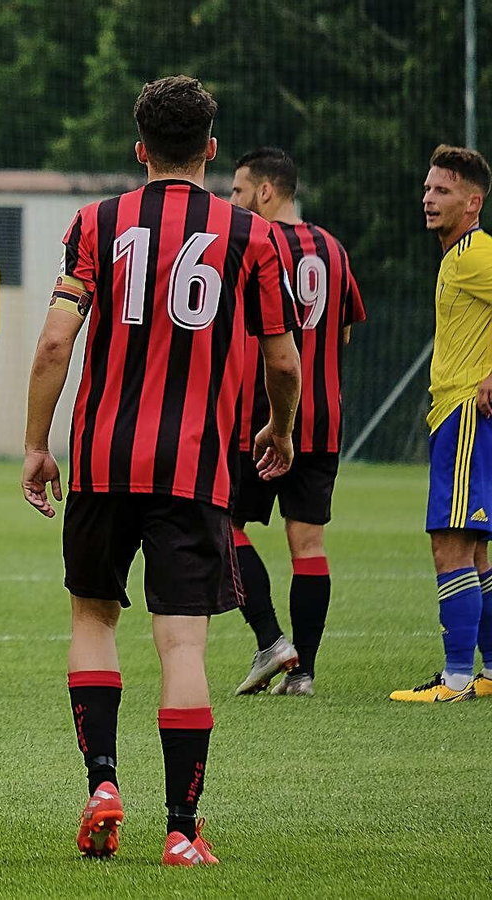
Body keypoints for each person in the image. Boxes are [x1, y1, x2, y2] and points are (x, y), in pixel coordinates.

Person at [20, 75, 300, 866]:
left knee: (92, 620)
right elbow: (282, 358)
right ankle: (182, 829)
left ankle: (103, 781)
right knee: (182, 646)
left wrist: (39, 443)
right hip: (195, 470)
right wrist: (278, 428)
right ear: (211, 150)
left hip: (103, 461)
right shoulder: (253, 236)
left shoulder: (96, 224)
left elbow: (51, 345)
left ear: (139, 149)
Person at [227, 147, 366, 697]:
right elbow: (347, 330)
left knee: (224, 526)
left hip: (261, 417)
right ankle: (303, 672)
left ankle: (270, 641)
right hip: (322, 415)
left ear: (266, 190)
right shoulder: (332, 248)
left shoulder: (250, 243)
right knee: (308, 544)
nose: (231, 200)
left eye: (237, 190)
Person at [389, 145, 492, 702]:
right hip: (456, 415)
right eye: (428, 188)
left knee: (449, 545)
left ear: (473, 202)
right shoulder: (457, 257)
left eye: (443, 190)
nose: (429, 198)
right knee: (475, 551)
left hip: (465, 415)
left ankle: (455, 679)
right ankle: (491, 670)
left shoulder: (476, 255)